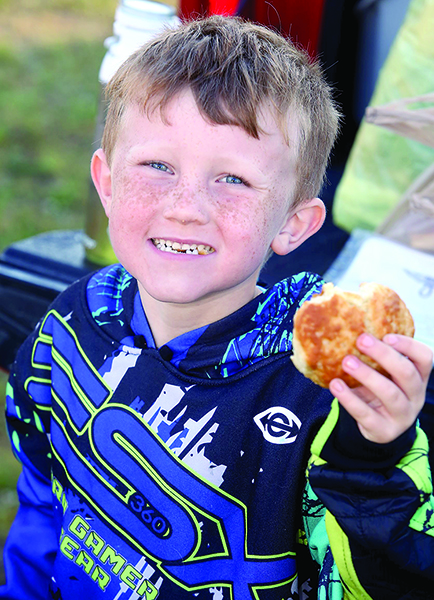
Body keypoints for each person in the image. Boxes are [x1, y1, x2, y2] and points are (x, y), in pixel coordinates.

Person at [1, 15, 433, 600]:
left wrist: (371, 463)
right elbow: (43, 488)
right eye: (157, 166)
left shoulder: (326, 402)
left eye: (232, 179)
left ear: (293, 224)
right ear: (106, 184)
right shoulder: (74, 322)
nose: (186, 207)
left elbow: (383, 582)